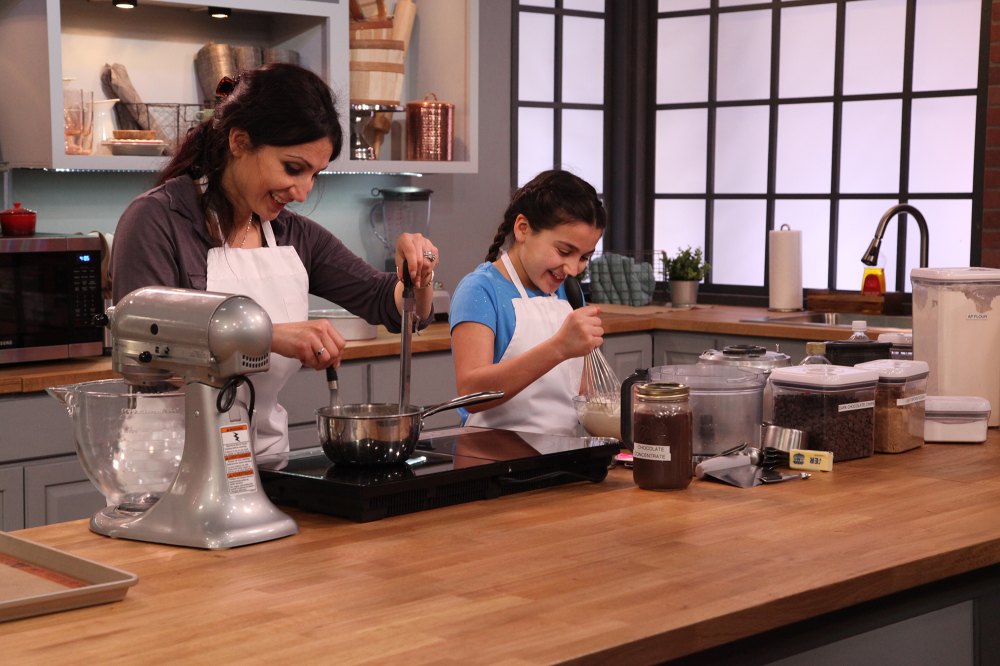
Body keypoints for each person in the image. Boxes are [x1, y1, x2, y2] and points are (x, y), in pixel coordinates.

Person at [110, 63, 439, 456]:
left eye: (315, 174)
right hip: (170, 461)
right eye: (293, 168)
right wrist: (268, 336)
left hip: (265, 461)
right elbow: (146, 351)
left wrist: (418, 271)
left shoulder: (292, 234)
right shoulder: (156, 220)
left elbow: (390, 303)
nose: (302, 191)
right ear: (239, 142)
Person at [449, 169, 607, 436]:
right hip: (492, 462)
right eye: (564, 251)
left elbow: (583, 391)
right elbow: (471, 392)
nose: (573, 268)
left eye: (584, 257)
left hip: (559, 457)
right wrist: (559, 347)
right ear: (523, 229)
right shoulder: (480, 289)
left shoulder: (569, 292)